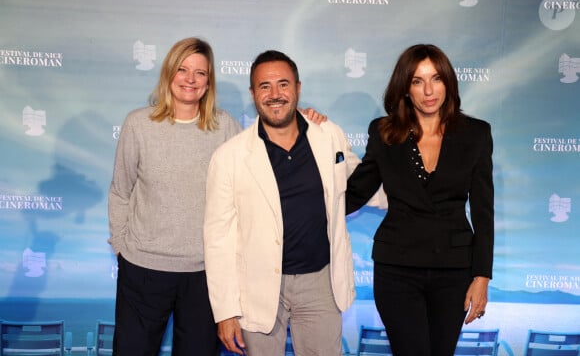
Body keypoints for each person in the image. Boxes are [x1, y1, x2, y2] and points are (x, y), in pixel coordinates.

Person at [108, 38, 326, 356]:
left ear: (209, 81)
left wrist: (306, 121)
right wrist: (122, 248)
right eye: (182, 69)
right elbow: (120, 191)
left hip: (205, 276)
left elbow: (259, 175)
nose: (190, 79)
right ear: (169, 73)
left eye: (200, 73)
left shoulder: (226, 128)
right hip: (143, 270)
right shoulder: (138, 124)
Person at [203, 50, 359, 356]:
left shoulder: (329, 135)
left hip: (321, 283)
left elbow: (363, 182)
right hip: (257, 288)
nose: (275, 94)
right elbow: (218, 240)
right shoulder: (229, 157)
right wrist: (225, 311)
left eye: (283, 84)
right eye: (265, 86)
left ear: (298, 88)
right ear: (253, 94)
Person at [345, 44, 494, 356]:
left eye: (436, 79)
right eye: (417, 81)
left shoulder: (476, 134)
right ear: (405, 88)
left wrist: (481, 277)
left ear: (448, 83)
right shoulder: (384, 133)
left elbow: (483, 212)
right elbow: (355, 192)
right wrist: (307, 130)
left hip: (453, 271)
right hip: (396, 269)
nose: (429, 91)